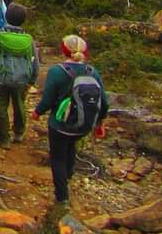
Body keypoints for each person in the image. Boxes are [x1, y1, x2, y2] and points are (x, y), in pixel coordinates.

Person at [32, 34, 109, 205]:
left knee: (57, 157)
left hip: (59, 125)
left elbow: (48, 100)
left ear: (64, 50)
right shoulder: (93, 72)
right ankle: (67, 176)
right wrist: (100, 123)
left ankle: (62, 197)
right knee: (71, 145)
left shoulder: (56, 72)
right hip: (83, 125)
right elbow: (104, 101)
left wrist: (37, 112)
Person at [0, 3, 39, 147]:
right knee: (19, 106)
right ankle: (19, 133)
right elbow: (35, 63)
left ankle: (4, 139)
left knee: (0, 108)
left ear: (6, 16)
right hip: (21, 80)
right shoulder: (28, 39)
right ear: (23, 20)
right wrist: (31, 81)